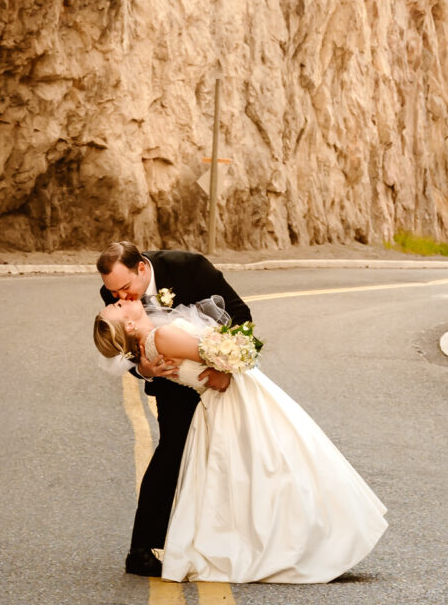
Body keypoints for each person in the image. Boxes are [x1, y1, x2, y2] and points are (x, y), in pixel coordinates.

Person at [94, 292, 387, 583]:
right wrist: (240, 352)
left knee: (267, 471)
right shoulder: (162, 337)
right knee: (282, 463)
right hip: (234, 395)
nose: (123, 299)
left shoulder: (150, 349)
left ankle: (296, 540)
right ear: (129, 328)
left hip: (224, 400)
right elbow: (219, 354)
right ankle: (308, 542)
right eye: (118, 306)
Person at [97, 239, 253, 576]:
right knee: (172, 452)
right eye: (114, 294)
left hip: (217, 372)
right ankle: (141, 549)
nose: (120, 298)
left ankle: (230, 537)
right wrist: (144, 368)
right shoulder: (112, 290)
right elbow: (120, 344)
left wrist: (222, 368)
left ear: (142, 268)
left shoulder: (189, 267)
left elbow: (240, 315)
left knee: (231, 455)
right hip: (172, 381)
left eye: (125, 288)